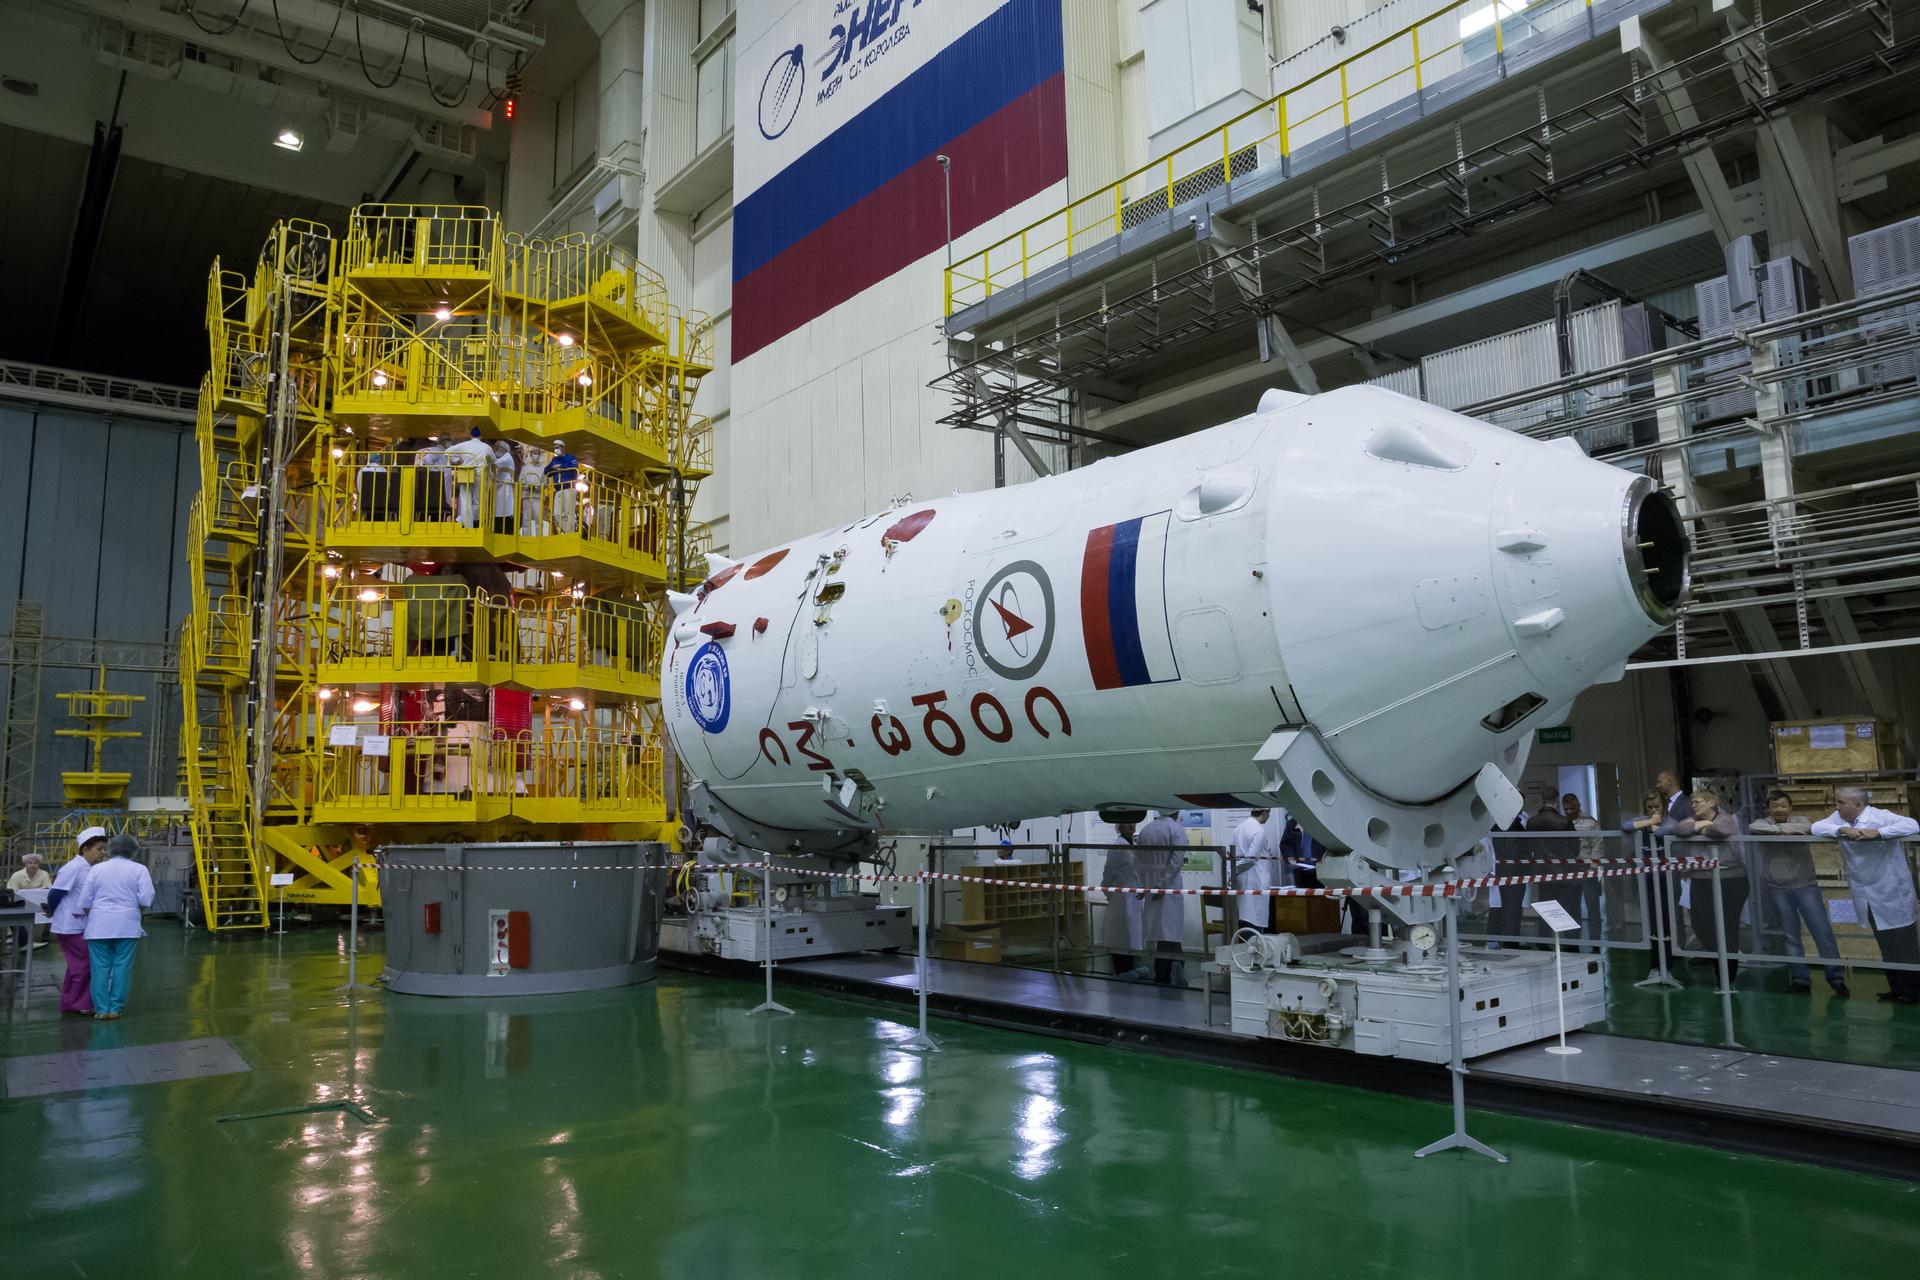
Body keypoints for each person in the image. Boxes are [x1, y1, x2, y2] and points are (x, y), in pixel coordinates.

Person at [1811, 788, 1920, 1004]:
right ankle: (1896, 988)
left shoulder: (1880, 816)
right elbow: (1816, 827)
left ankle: (1913, 992)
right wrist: (1842, 829)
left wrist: (1878, 833)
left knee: (1904, 944)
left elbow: (1912, 825)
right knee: (1885, 943)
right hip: (1867, 895)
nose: (1837, 807)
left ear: (1858, 805)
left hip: (1892, 892)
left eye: (1841, 803)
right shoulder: (1839, 819)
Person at [1750, 790, 1847, 997]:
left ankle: (1836, 979)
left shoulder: (1801, 820)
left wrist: (1779, 831)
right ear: (1768, 808)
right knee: (1790, 935)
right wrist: (1783, 831)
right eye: (1775, 806)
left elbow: (1807, 828)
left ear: (1791, 807)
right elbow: (1754, 828)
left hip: (1805, 886)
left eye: (1783, 805)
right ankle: (1800, 979)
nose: (1779, 809)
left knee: (1822, 931)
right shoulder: (1761, 823)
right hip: (1778, 887)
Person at [71, 832, 154, 1020]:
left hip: (99, 925)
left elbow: (84, 900)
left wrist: (95, 915)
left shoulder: (96, 870)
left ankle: (101, 1009)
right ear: (133, 850)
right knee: (122, 968)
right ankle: (115, 1008)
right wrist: (134, 910)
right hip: (127, 925)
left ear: (110, 849)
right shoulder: (139, 869)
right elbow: (146, 899)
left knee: (99, 968)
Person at [1671, 789, 1748, 982]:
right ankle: (1719, 963)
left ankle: (1726, 978)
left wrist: (1700, 828)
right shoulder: (1691, 819)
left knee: (1728, 928)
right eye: (1692, 803)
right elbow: (1680, 829)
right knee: (1701, 925)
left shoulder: (1726, 818)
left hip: (1731, 880)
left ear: (1711, 803)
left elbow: (1720, 831)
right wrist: (1703, 824)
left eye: (1697, 802)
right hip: (1701, 880)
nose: (1693, 806)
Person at [46, 828, 109, 1014]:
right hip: (69, 926)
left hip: (79, 924)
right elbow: (56, 893)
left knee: (77, 965)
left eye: (104, 849)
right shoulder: (73, 867)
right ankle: (81, 1004)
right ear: (86, 849)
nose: (103, 853)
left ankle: (69, 1002)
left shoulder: (88, 868)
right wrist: (51, 911)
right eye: (99, 849)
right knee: (86, 963)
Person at [1134, 811, 1189, 985]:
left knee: (1162, 932)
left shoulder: (1146, 830)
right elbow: (1176, 861)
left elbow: (1138, 861)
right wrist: (1162, 885)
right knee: (1170, 933)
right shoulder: (1177, 830)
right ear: (1176, 812)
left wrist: (1143, 885)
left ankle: (1166, 972)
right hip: (1167, 888)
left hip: (1150, 886)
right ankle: (1169, 973)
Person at [1099, 820, 1145, 978]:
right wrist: (1113, 896)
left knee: (1131, 937)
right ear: (1119, 827)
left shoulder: (1132, 845)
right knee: (1120, 938)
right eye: (1127, 823)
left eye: (1133, 823)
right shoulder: (1117, 847)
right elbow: (1107, 876)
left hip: (1132, 899)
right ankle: (1121, 971)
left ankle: (1130, 969)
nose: (1132, 826)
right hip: (1121, 899)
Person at [1562, 793, 1611, 941]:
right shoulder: (1563, 823)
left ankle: (1595, 938)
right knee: (1571, 905)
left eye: (1572, 808)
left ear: (1578, 806)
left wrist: (1593, 868)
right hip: (1570, 869)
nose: (1569, 812)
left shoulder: (1590, 822)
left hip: (1587, 868)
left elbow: (1598, 845)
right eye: (1566, 809)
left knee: (1592, 905)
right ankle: (1572, 938)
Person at [1231, 809, 1276, 933]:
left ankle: (1248, 942)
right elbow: (1250, 858)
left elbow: (1235, 855)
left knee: (1245, 915)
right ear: (1265, 813)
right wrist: (1235, 870)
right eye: (1269, 813)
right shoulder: (1259, 830)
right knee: (1255, 917)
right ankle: (1254, 943)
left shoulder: (1238, 828)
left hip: (1242, 878)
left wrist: (1234, 871)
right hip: (1256, 878)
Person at [445, 426, 495, 528]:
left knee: (465, 500)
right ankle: (463, 521)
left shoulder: (463, 445)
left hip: (465, 473)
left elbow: (447, 452)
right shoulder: (486, 447)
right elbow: (494, 460)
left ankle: (465, 523)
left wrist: (456, 460)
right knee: (477, 502)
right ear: (481, 436)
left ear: (471, 435)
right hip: (479, 475)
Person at [8, 852, 53, 948]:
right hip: (21, 904)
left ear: (39, 864)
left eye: (35, 863)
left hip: (39, 904)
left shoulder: (44, 874)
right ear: (25, 864)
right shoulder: (17, 875)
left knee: (51, 910)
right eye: (30, 863)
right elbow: (11, 891)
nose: (32, 865)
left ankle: (45, 935)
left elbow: (48, 890)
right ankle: (20, 938)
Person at [545, 440, 581, 534]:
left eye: (557, 447)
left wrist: (560, 466)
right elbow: (546, 470)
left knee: (569, 513)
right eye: (554, 448)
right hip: (558, 489)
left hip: (569, 488)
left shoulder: (570, 457)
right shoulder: (554, 460)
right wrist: (553, 468)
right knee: (556, 514)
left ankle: (569, 533)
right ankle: (569, 533)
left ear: (562, 448)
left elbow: (574, 466)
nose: (556, 449)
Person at [518, 444, 549, 536]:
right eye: (535, 453)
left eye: (538, 453)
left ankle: (538, 538)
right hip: (527, 496)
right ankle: (525, 537)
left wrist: (537, 486)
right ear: (531, 455)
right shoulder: (525, 467)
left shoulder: (543, 469)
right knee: (526, 519)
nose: (536, 455)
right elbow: (520, 481)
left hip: (537, 496)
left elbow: (546, 483)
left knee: (538, 518)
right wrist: (527, 486)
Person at [490, 441, 518, 534]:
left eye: (498, 448)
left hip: (505, 486)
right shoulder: (504, 457)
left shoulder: (507, 457)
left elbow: (496, 463)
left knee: (505, 509)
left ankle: (504, 530)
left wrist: (489, 456)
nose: (496, 450)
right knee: (499, 508)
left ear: (503, 449)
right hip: (501, 486)